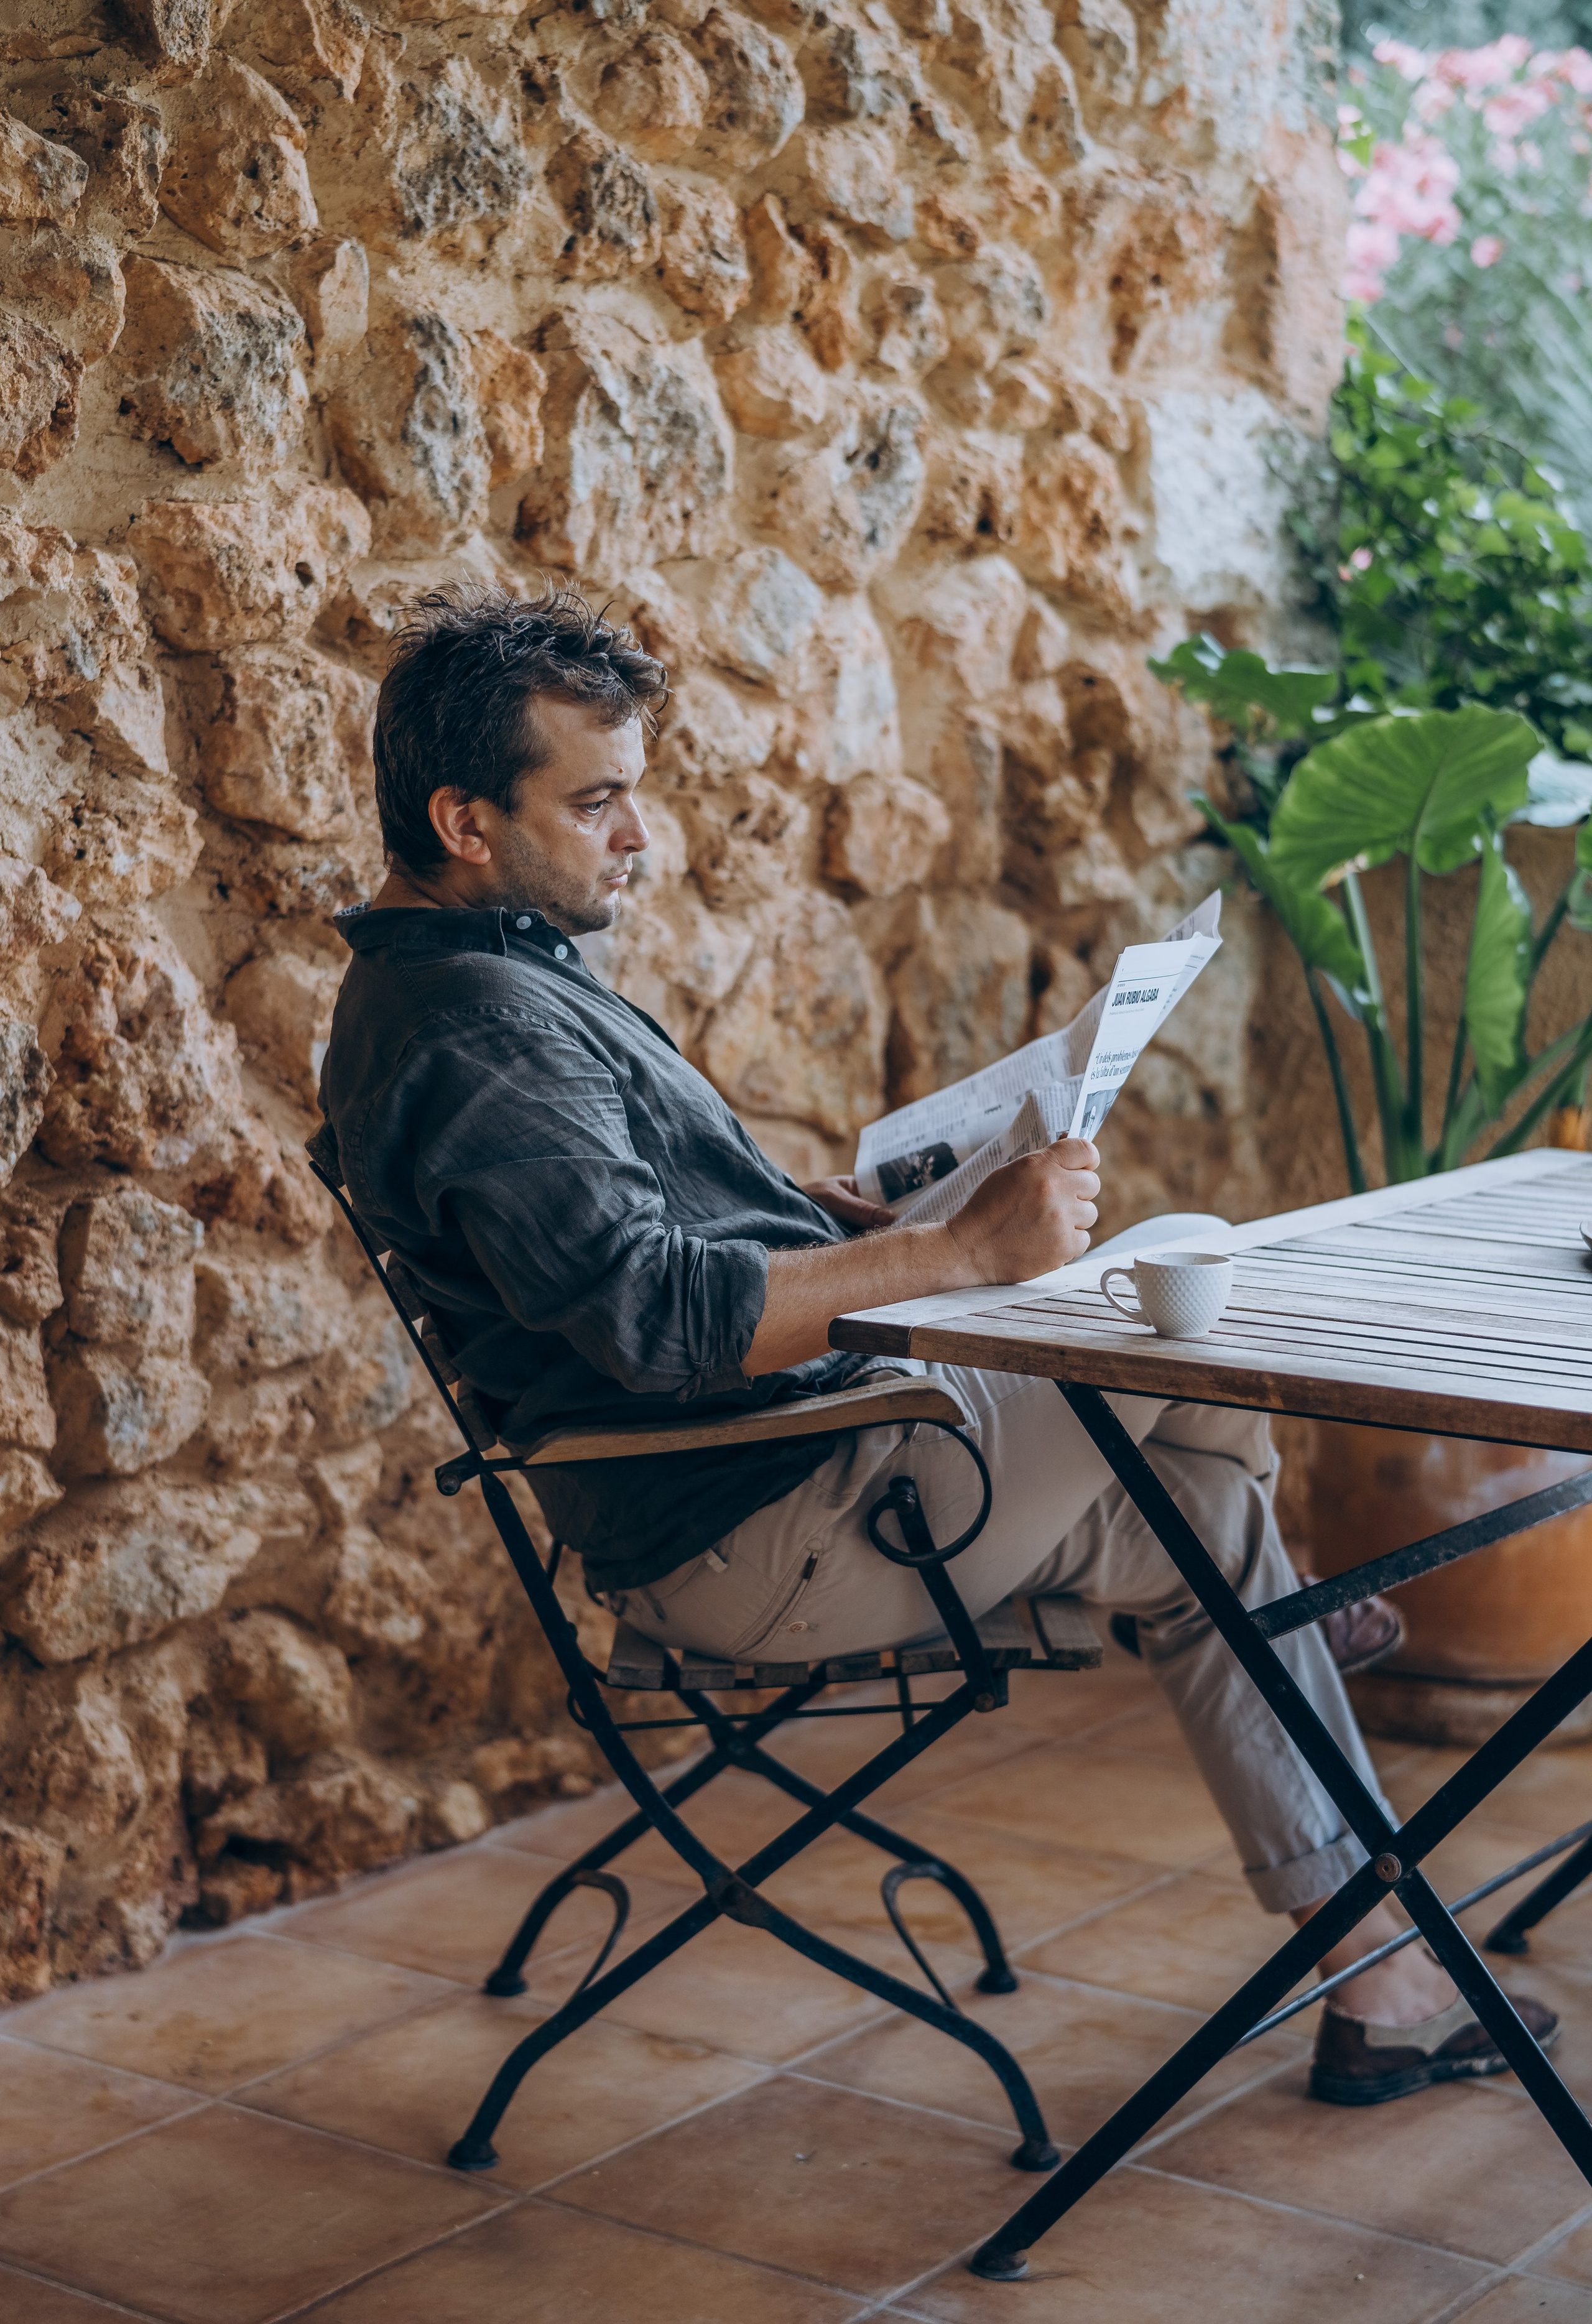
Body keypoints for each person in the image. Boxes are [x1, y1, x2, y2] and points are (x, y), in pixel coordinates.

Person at [315, 581, 1555, 2109]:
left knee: (1198, 1516)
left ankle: (1382, 1976)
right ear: (463, 819)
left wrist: (827, 1215)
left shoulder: (481, 981)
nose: (639, 838)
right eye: (599, 802)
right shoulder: (479, 1032)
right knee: (1167, 1318)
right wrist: (959, 1252)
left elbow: (635, 1250)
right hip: (757, 1529)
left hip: (797, 1464)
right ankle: (1352, 1828)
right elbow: (654, 1319)